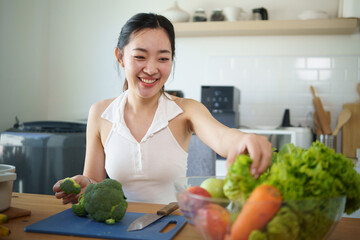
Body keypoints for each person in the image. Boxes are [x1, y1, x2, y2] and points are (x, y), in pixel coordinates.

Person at [53, 12, 272, 204]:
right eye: (140, 56)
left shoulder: (186, 111)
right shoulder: (100, 113)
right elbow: (96, 181)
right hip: (119, 226)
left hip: (173, 223)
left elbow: (224, 138)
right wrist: (84, 185)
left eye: (163, 58)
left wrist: (244, 140)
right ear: (120, 57)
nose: (151, 69)